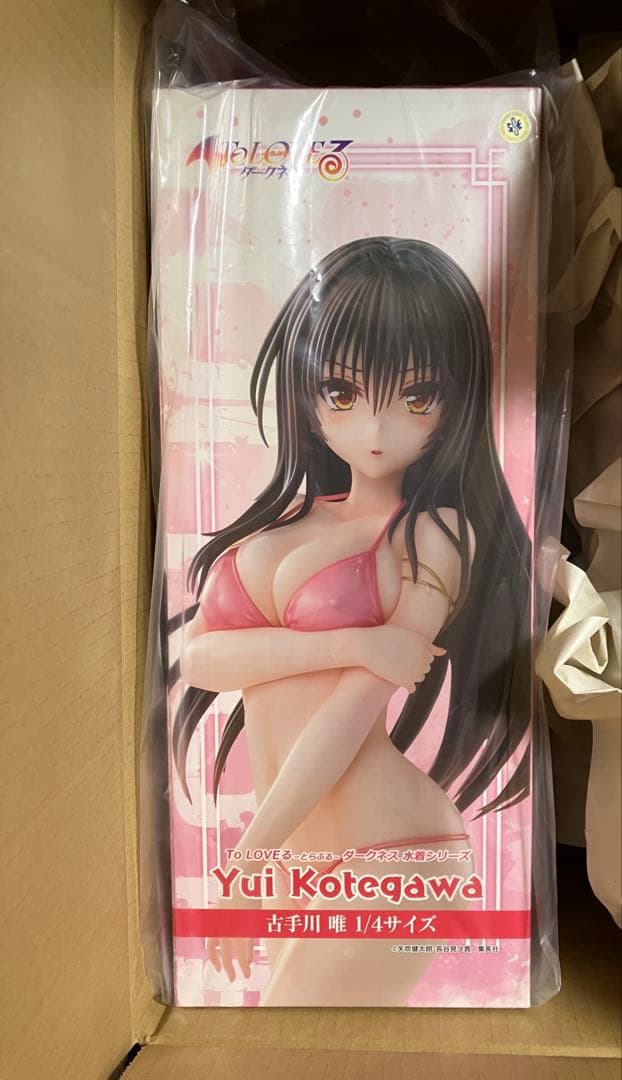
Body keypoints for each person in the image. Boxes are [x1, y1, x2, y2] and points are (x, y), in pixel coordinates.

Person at [169, 236, 531, 1005]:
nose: (375, 427)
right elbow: (199, 661)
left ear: (457, 402)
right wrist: (355, 641)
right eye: (341, 391)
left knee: (295, 1035)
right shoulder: (285, 521)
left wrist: (248, 861)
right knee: (300, 1039)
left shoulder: (435, 533)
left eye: (417, 395)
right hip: (296, 848)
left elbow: (349, 713)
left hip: (391, 846)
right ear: (306, 393)